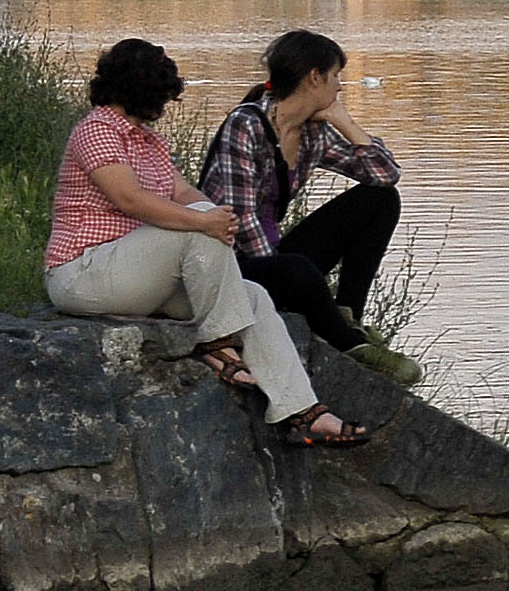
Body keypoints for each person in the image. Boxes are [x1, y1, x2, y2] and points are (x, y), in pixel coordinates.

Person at [43, 39, 364, 449]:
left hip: (136, 275)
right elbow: (129, 199)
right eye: (162, 94)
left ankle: (301, 411)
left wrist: (218, 213)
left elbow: (182, 194)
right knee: (198, 230)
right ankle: (217, 344)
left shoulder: (149, 142)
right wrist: (204, 222)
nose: (164, 104)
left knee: (253, 296)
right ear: (143, 90)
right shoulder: (97, 129)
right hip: (83, 273)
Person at [201, 29, 419, 388]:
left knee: (380, 201)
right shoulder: (246, 125)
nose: (340, 88)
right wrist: (285, 275)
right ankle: (348, 344)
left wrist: (347, 123)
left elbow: (384, 176)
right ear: (315, 77)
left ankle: (348, 316)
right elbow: (240, 220)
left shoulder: (313, 133)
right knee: (295, 269)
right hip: (231, 264)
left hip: (276, 261)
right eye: (336, 77)